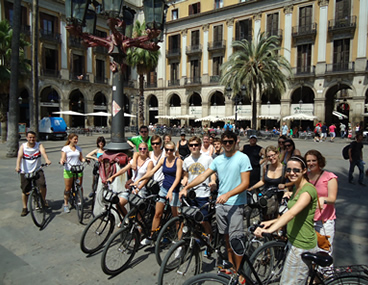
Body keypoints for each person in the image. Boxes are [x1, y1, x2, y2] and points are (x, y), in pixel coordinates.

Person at [181, 131, 252, 272]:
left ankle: (240, 272)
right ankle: (231, 265)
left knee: (236, 239)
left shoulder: (242, 158)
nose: (227, 144)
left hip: (235, 204)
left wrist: (228, 194)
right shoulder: (218, 159)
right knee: (226, 238)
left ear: (236, 141)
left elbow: (245, 183)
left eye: (230, 142)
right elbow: (203, 176)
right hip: (220, 204)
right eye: (224, 141)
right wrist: (187, 187)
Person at [254, 155, 318, 285]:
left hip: (301, 244)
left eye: (296, 170)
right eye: (288, 170)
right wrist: (270, 222)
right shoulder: (296, 187)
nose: (291, 173)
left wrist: (270, 230)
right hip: (293, 240)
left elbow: (292, 214)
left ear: (304, 171)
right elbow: (289, 212)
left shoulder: (307, 191)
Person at [134, 141, 183, 245]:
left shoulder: (178, 161)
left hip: (174, 190)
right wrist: (139, 180)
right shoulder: (163, 160)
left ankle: (180, 242)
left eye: (171, 150)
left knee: (176, 218)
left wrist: (171, 191)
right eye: (167, 149)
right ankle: (151, 236)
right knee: (157, 214)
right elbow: (151, 172)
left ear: (174, 151)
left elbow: (178, 178)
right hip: (164, 188)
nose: (169, 152)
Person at [180, 136, 216, 240]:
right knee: (192, 219)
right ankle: (196, 240)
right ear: (188, 147)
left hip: (203, 193)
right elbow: (186, 174)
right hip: (191, 194)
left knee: (203, 220)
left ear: (200, 146)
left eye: (196, 145)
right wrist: (185, 179)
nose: (194, 147)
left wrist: (213, 181)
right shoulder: (186, 160)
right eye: (191, 145)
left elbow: (212, 174)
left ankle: (210, 239)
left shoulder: (208, 159)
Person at [305, 150, 338, 254]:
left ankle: (325, 271)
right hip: (307, 219)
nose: (311, 163)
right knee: (308, 252)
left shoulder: (329, 177)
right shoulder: (305, 176)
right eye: (308, 161)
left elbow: (332, 199)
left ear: (319, 161)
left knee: (324, 252)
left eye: (313, 160)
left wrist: (323, 199)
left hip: (324, 221)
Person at [107, 142, 153, 218]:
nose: (142, 150)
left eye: (144, 149)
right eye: (140, 149)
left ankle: (139, 227)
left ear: (147, 149)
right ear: (138, 149)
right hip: (131, 186)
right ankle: (128, 220)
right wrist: (113, 176)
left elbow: (147, 178)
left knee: (139, 213)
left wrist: (139, 188)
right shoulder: (135, 160)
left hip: (141, 189)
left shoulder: (149, 162)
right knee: (119, 204)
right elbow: (124, 169)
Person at [15, 131, 51, 216]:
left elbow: (43, 152)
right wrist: (18, 166)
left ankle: (43, 200)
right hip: (25, 171)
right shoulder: (23, 146)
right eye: (30, 137)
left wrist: (46, 159)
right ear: (27, 138)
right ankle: (24, 208)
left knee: (42, 184)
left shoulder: (39, 145)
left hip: (37, 170)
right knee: (25, 190)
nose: (32, 139)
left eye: (33, 137)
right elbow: (19, 156)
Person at [59, 133, 87, 213]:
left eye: (77, 139)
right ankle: (66, 204)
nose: (76, 141)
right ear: (70, 139)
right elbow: (63, 158)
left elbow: (81, 158)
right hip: (69, 170)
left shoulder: (78, 148)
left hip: (78, 169)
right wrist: (62, 161)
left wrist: (85, 160)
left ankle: (79, 199)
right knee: (68, 188)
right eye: (75, 139)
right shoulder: (65, 148)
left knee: (79, 186)